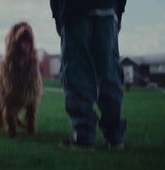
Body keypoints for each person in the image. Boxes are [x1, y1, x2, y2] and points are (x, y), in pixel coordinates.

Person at [50, 0, 127, 150]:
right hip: (107, 10)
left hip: (74, 11)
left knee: (77, 75)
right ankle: (115, 137)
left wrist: (57, 17)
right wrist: (118, 13)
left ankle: (83, 136)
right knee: (109, 74)